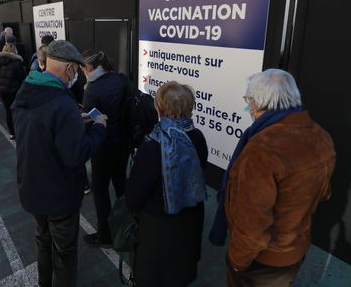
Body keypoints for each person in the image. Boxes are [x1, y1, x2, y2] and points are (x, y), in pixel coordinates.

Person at [209, 68, 336, 287]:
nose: (248, 106)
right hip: (295, 249)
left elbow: (252, 223)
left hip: (261, 261)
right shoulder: (321, 136)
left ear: (258, 102)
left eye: (248, 100)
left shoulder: (262, 149)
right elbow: (324, 193)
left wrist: (238, 261)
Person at [11, 40, 107, 287]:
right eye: (76, 70)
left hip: (31, 188)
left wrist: (76, 121)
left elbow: (42, 129)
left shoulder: (27, 89)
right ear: (69, 69)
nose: (76, 76)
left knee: (43, 241)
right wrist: (98, 129)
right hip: (59, 195)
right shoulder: (62, 104)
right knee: (64, 253)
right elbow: (76, 154)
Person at [125, 81, 207, 287]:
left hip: (158, 232)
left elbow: (133, 198)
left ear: (160, 108)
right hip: (190, 223)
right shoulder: (197, 137)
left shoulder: (152, 146)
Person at [80, 50, 128, 246]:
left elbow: (88, 121)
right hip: (124, 142)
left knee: (100, 188)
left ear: (90, 69)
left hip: (104, 145)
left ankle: (105, 235)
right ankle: (129, 224)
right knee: (120, 183)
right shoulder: (122, 79)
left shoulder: (92, 89)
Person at [0, 42, 25, 140]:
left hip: (3, 91)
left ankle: (12, 133)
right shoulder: (17, 62)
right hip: (16, 91)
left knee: (8, 111)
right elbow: (22, 77)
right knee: (18, 111)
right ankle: (20, 131)